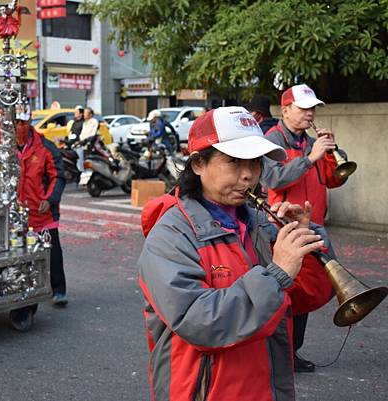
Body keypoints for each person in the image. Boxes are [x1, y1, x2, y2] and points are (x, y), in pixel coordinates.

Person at [138, 106, 334, 401]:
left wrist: (305, 241)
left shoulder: (257, 222)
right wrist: (277, 273)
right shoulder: (170, 234)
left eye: (254, 163)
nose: (248, 176)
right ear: (198, 164)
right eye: (234, 162)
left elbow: (308, 296)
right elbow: (199, 321)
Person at [261, 84, 348, 372]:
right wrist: (310, 158)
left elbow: (333, 180)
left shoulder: (312, 142)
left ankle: (291, 353)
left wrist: (332, 155)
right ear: (285, 110)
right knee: (287, 293)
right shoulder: (272, 141)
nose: (310, 114)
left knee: (306, 292)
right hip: (281, 227)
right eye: (304, 108)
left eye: (312, 108)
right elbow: (274, 180)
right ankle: (280, 354)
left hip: (312, 225)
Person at [0, 105, 67, 331]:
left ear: (29, 123)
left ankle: (58, 288)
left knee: (51, 251)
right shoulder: (4, 148)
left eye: (22, 122)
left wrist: (49, 200)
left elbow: (59, 176)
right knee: (20, 258)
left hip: (42, 214)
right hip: (15, 216)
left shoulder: (45, 147)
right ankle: (26, 300)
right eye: (15, 123)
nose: (18, 127)